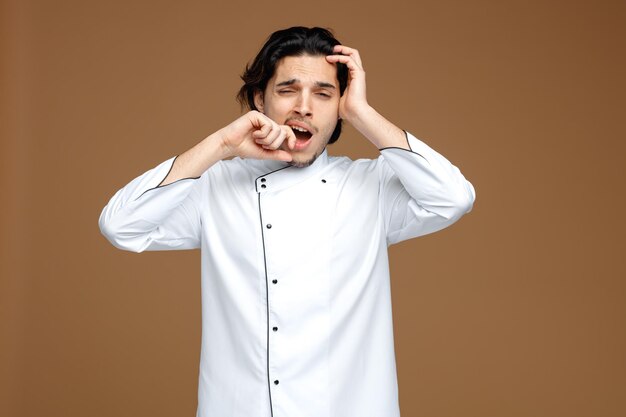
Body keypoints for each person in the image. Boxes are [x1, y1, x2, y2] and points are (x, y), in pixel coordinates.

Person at [99, 26, 476, 417]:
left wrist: (362, 113)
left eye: (324, 94)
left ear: (340, 106)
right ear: (260, 99)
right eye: (287, 90)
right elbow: (121, 224)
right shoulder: (216, 187)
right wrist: (222, 145)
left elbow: (454, 197)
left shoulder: (371, 187)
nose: (304, 107)